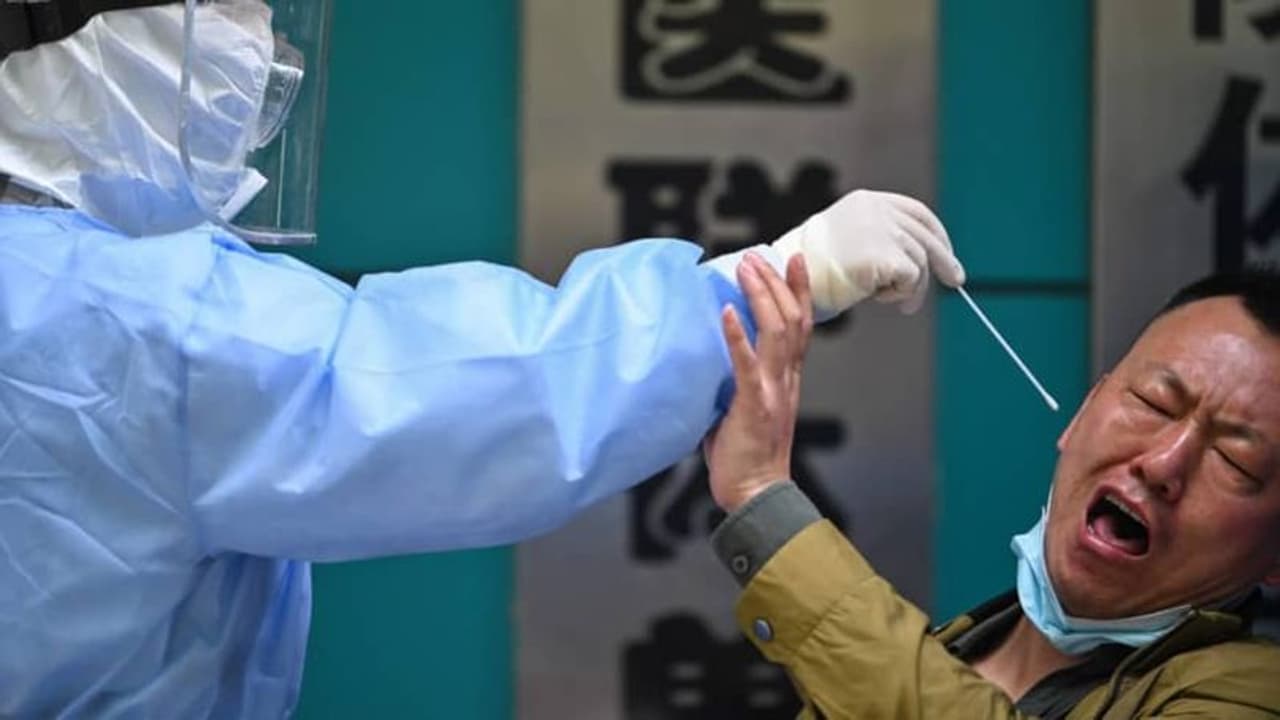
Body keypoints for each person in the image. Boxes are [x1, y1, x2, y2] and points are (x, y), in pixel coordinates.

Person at [0, 1, 967, 717]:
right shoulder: (127, 318)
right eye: (219, 11)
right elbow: (447, 387)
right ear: (73, 49)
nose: (260, 51)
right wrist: (781, 277)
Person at [705, 259, 1280, 718]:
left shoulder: (1253, 694)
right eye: (1154, 402)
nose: (1162, 464)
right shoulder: (951, 652)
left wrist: (763, 498)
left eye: (1236, 460)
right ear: (1082, 414)